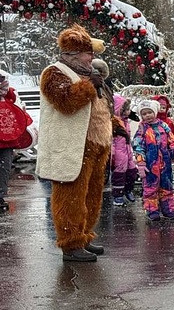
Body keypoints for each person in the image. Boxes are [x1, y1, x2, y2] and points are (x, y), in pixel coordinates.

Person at [36, 25, 111, 262]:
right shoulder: (54, 73)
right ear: (74, 54)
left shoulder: (87, 75)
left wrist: (114, 124)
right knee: (70, 197)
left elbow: (98, 108)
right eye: (89, 53)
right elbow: (66, 102)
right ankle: (70, 244)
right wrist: (90, 87)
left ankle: (83, 237)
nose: (92, 58)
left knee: (90, 196)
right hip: (71, 148)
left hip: (95, 146)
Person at [133, 99, 174, 221]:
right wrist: (141, 163)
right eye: (144, 114)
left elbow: (172, 143)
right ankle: (152, 210)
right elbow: (138, 146)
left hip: (165, 163)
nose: (147, 116)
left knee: (167, 186)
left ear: (154, 112)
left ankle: (168, 209)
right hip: (150, 164)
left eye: (149, 112)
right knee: (150, 187)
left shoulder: (163, 126)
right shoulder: (142, 129)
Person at [0, 71, 32, 212]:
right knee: (4, 168)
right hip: (6, 137)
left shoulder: (8, 96)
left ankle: (0, 196)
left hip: (6, 139)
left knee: (4, 168)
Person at [110, 95, 139, 206]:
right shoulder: (114, 122)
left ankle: (128, 189)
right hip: (118, 152)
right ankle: (118, 195)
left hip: (127, 150)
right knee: (119, 174)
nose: (128, 112)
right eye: (126, 110)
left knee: (132, 171)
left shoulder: (125, 121)